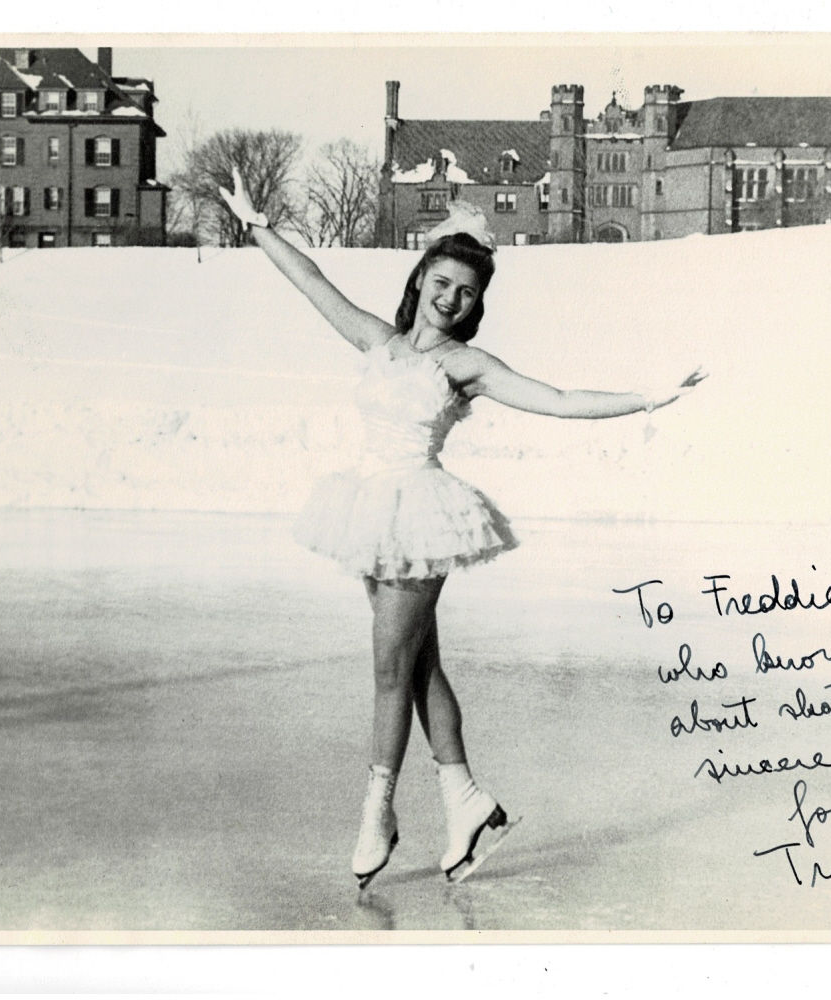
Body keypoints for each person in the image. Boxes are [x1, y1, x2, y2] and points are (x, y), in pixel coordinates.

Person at [218, 169, 706, 888]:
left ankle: (377, 811)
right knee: (417, 668)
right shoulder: (379, 341)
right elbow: (313, 280)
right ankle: (467, 800)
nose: (451, 298)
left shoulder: (465, 365)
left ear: (476, 304)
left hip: (419, 517)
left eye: (467, 291)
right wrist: (257, 223)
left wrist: (648, 398)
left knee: (389, 671)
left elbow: (561, 399)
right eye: (442, 282)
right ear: (420, 280)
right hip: (368, 513)